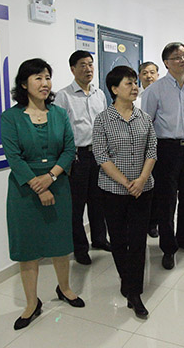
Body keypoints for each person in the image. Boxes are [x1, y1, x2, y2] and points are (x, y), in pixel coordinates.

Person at [1, 58, 85, 331]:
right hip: (24, 190)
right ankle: (31, 303)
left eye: (47, 77)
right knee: (28, 248)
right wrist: (38, 186)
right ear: (24, 84)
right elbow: (13, 157)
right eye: (37, 77)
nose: (45, 83)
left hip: (58, 184)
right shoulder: (10, 117)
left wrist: (50, 177)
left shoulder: (59, 113)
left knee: (60, 243)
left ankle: (65, 289)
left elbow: (69, 150)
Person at [92, 65, 157, 319]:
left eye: (134, 83)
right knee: (119, 240)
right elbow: (101, 155)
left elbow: (152, 150)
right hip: (112, 191)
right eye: (128, 83)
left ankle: (134, 292)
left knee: (138, 241)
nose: (134, 87)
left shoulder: (144, 118)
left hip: (143, 190)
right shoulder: (103, 119)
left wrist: (141, 180)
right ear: (114, 89)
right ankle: (127, 280)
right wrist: (126, 182)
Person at [142, 42, 184, 270]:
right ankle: (168, 248)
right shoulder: (154, 90)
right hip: (167, 149)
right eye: (177, 57)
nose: (183, 60)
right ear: (166, 63)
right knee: (166, 200)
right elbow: (146, 123)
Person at [55, 50, 111, 265]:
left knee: (99, 201)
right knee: (76, 206)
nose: (88, 69)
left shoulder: (99, 94)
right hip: (77, 157)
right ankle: (80, 248)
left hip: (99, 155)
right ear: (72, 69)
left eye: (90, 64)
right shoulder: (63, 96)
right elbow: (59, 130)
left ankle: (99, 239)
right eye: (82, 65)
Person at [135, 61, 160, 238]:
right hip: (138, 149)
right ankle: (140, 221)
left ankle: (153, 223)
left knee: (157, 188)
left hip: (159, 148)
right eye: (144, 73)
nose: (148, 76)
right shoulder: (134, 96)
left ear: (158, 75)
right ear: (139, 76)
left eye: (152, 72)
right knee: (140, 186)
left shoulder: (163, 95)